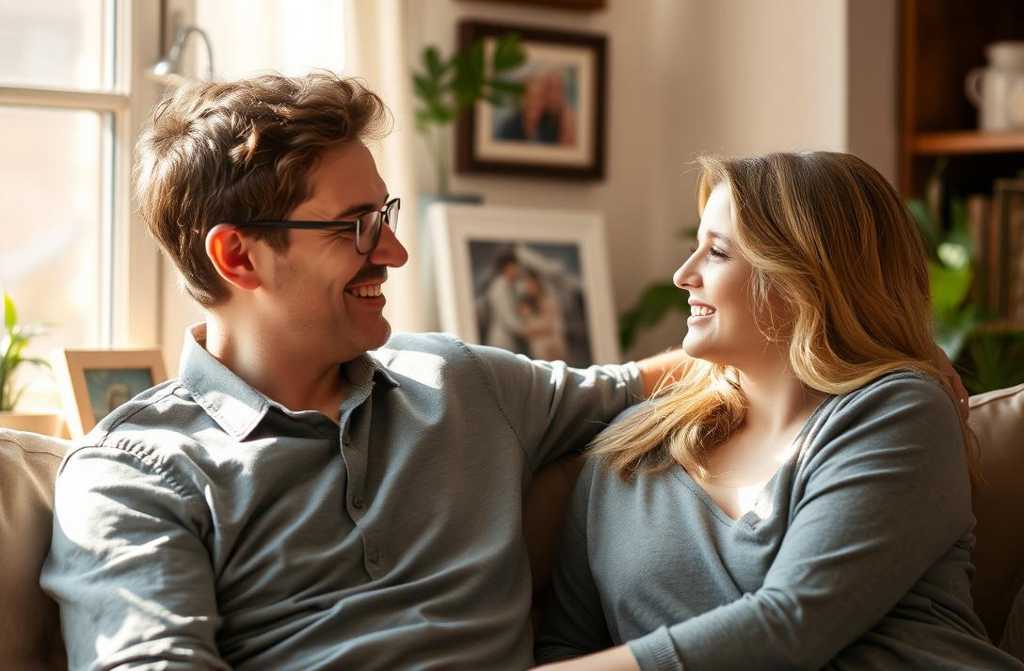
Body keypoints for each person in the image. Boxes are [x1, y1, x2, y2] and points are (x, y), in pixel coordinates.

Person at [38, 71, 687, 671]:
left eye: (385, 216)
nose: (394, 252)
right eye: (356, 227)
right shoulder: (135, 474)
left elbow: (663, 380)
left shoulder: (460, 381)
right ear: (238, 256)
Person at [534, 152, 1022, 670]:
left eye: (716, 252)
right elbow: (569, 646)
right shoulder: (629, 451)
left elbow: (791, 626)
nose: (683, 275)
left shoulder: (898, 413)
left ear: (806, 277)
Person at [518, 267, 568, 361]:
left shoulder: (548, 300)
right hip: (536, 348)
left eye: (530, 283)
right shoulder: (526, 304)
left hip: (551, 345)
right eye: (526, 284)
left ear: (537, 283)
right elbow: (525, 328)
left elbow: (551, 326)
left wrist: (532, 331)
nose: (528, 287)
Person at [484, 249, 526, 351]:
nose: (518, 270)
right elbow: (507, 317)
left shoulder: (512, 285)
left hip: (510, 339)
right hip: (501, 340)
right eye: (516, 266)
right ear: (507, 267)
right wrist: (526, 331)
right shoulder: (498, 288)